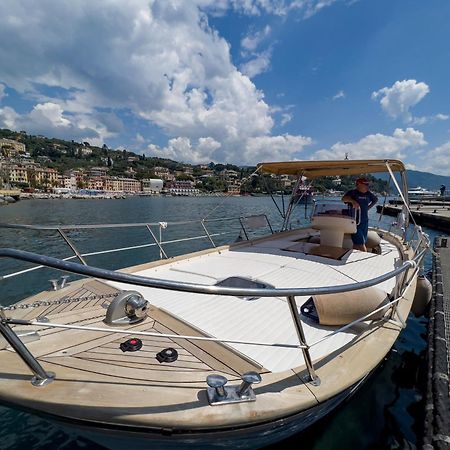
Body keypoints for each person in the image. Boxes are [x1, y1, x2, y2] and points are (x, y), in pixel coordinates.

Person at [342, 177, 378, 252]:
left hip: (365, 221)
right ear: (358, 184)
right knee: (360, 244)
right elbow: (344, 199)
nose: (367, 186)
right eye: (366, 184)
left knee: (360, 242)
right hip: (355, 222)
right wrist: (352, 201)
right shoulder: (352, 193)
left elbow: (375, 200)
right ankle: (364, 258)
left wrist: (368, 207)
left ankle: (353, 256)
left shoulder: (369, 194)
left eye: (368, 184)